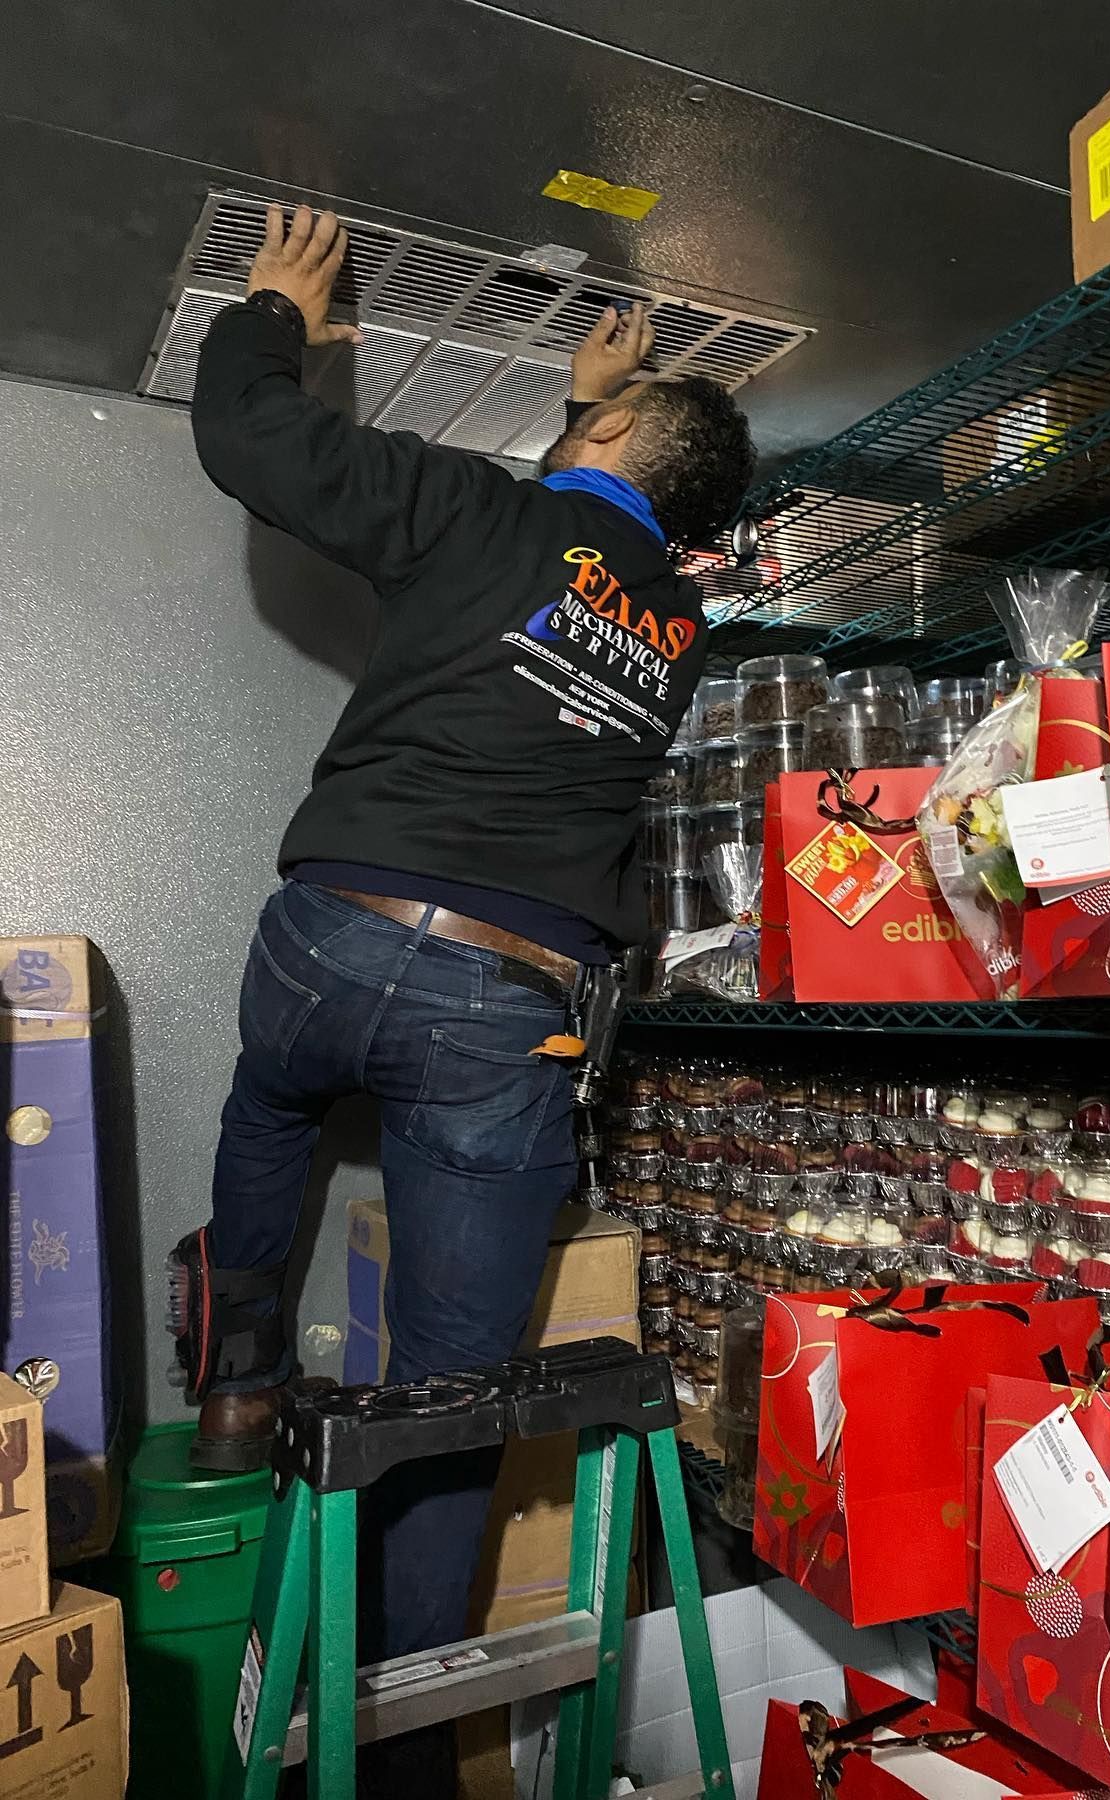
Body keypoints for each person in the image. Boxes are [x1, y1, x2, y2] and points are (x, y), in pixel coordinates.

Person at [176, 206, 755, 1672]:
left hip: (334, 939)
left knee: (269, 1104)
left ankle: (238, 1384)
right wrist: (590, 414)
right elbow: (587, 570)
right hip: (508, 1011)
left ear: (611, 428)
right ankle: (402, 1719)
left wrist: (274, 313)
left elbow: (252, 439)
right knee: (451, 1391)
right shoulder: (682, 635)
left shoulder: (483, 515)